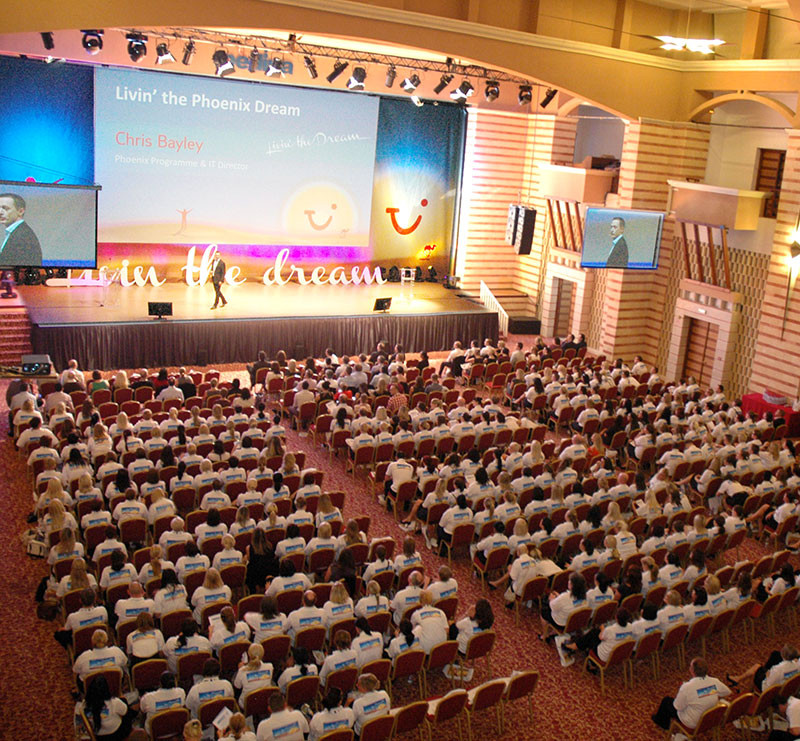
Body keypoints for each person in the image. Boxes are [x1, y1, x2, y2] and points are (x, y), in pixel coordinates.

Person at [651, 656, 731, 730]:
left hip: (693, 721)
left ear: (692, 670)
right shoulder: (714, 682)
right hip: (710, 717)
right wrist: (707, 693)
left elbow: (677, 706)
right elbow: (727, 692)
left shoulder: (687, 687)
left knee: (666, 701)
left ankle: (662, 723)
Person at [82, 673, 134, 740]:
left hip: (99, 736)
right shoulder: (114, 702)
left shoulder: (85, 704)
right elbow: (125, 712)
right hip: (116, 733)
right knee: (125, 705)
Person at [0, 192, 42, 266]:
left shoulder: (23, 235)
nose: (0, 212)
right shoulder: (17, 231)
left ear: (20, 211)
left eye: (5, 208)